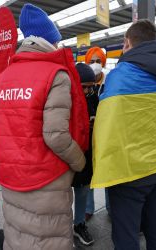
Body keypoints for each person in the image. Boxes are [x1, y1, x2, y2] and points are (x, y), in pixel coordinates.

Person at [91, 20, 156, 250]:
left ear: (127, 42)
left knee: (126, 233)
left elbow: (107, 125)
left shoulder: (120, 75)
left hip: (128, 171)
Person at [0, 4, 88, 250]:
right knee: (47, 239)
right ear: (50, 39)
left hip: (11, 176)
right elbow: (56, 136)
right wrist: (79, 161)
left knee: (18, 234)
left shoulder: (4, 76)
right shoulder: (56, 74)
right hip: (45, 178)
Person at [72, 63, 98, 246]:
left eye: (91, 86)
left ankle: (79, 224)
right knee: (62, 195)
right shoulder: (64, 98)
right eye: (84, 86)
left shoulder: (93, 98)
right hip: (67, 155)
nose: (88, 90)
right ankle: (61, 226)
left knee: (82, 191)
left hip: (87, 154)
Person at [84, 46, 110, 220]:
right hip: (88, 135)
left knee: (108, 171)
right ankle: (88, 208)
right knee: (87, 172)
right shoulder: (82, 83)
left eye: (98, 61)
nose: (95, 64)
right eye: (91, 61)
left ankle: (111, 206)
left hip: (106, 135)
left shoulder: (110, 83)